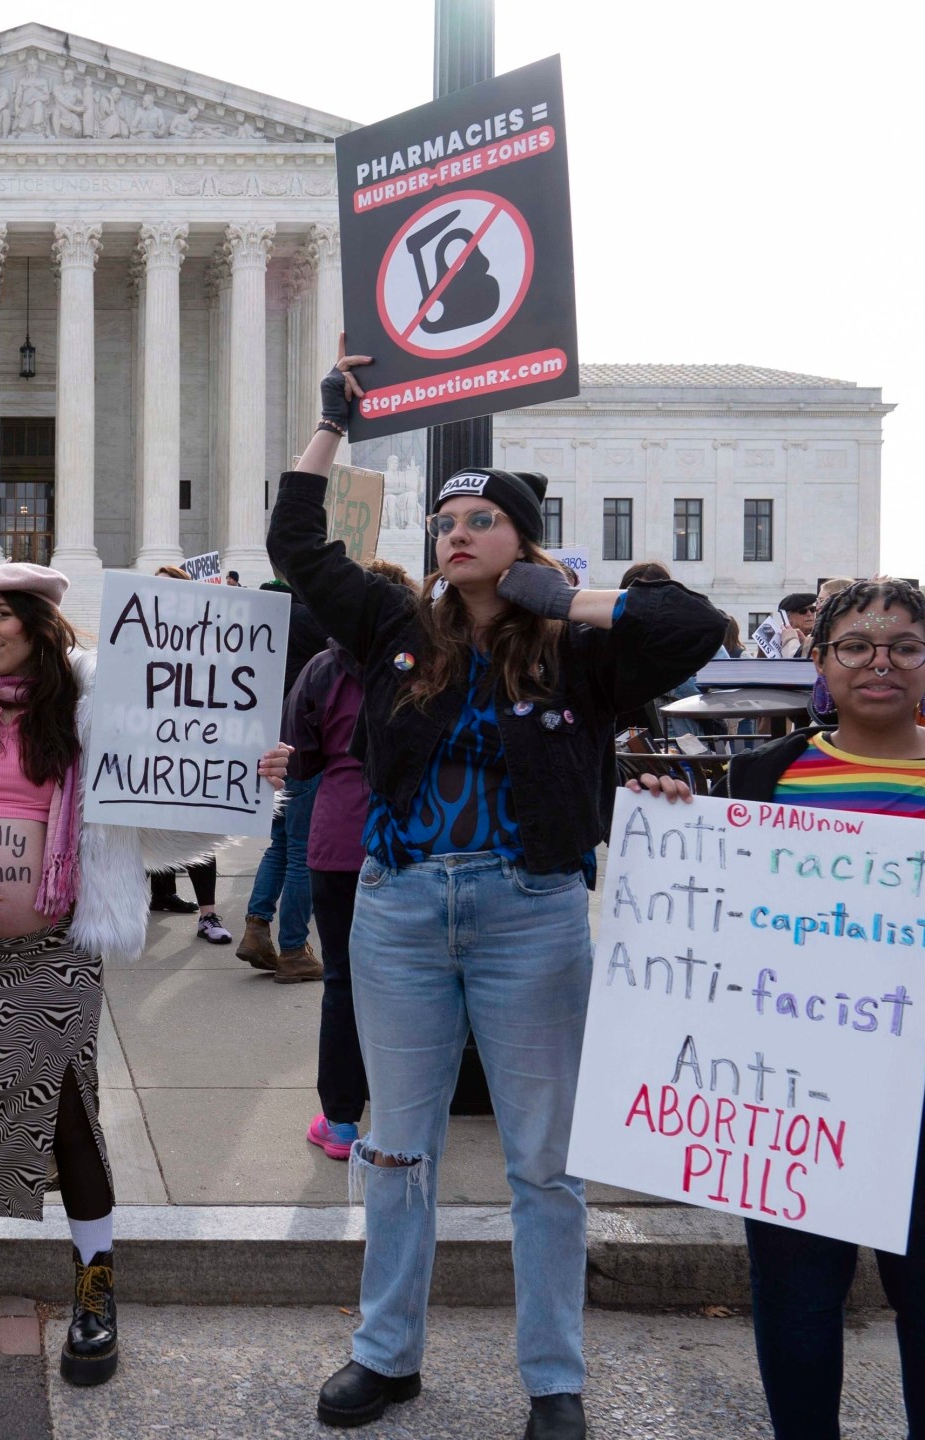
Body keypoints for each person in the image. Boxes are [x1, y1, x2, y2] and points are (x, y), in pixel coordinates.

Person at [271, 346, 725, 1437]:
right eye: (444, 524)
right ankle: (386, 1352)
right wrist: (335, 420)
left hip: (531, 913)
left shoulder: (577, 649)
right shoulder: (393, 632)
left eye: (480, 519)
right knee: (396, 1144)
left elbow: (696, 628)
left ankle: (554, 1377)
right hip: (401, 909)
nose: (455, 534)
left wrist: (573, 597)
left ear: (523, 540)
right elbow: (296, 542)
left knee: (544, 1161)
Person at [0, 562, 289, 1389]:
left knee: (72, 1114)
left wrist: (239, 779)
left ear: (40, 626)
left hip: (55, 955)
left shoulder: (89, 708)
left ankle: (96, 1283)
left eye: (0, 617)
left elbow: (158, 806)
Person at [628, 575, 925, 1440]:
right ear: (820, 666)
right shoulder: (765, 773)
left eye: (905, 647)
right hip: (798, 1093)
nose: (882, 663)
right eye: (857, 647)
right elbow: (719, 920)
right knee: (797, 1309)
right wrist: (677, 823)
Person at [286, 559, 415, 1176]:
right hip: (413, 837)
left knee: (343, 980)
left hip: (339, 839)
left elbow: (301, 758)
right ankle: (402, 1116)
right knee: (416, 985)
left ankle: (341, 1120)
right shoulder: (428, 662)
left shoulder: (324, 669)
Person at [239, 575, 334, 980]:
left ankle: (257, 928)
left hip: (270, 749)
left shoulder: (256, 630)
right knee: (300, 854)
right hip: (305, 751)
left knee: (279, 846)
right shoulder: (312, 624)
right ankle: (294, 948)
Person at [144, 564, 234, 944]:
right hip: (148, 743)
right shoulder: (136, 634)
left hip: (194, 744)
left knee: (197, 829)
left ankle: (208, 915)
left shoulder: (206, 640)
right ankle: (159, 895)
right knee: (149, 826)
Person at [754, 592, 818, 658]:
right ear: (788, 618)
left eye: (812, 609)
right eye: (802, 611)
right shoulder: (777, 639)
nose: (809, 614)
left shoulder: (821, 637)